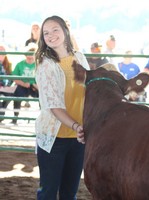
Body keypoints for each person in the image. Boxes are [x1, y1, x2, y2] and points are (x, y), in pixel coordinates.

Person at [35, 15, 89, 200]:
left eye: (55, 30)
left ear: (65, 31)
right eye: (46, 33)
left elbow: (90, 90)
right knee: (48, 191)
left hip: (78, 138)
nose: (50, 35)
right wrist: (77, 126)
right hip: (53, 139)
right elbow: (53, 106)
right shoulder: (46, 64)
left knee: (69, 193)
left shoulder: (80, 58)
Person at [11, 44, 38, 124]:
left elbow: (43, 79)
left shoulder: (39, 65)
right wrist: (23, 84)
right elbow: (15, 78)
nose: (29, 59)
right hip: (23, 85)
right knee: (17, 95)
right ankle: (15, 117)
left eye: (31, 58)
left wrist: (35, 85)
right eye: (27, 57)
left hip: (35, 86)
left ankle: (45, 118)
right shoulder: (20, 64)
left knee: (43, 95)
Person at [0, 45, 13, 122]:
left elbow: (11, 77)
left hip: (5, 87)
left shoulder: (8, 64)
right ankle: (1, 114)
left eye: (3, 52)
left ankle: (2, 112)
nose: (2, 54)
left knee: (11, 94)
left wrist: (8, 85)